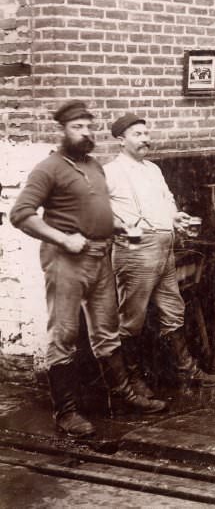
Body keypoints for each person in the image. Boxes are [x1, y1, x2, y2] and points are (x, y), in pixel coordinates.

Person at [11, 101, 166, 438]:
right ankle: (66, 413)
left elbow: (98, 209)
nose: (85, 133)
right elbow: (21, 214)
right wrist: (63, 239)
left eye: (88, 126)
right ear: (62, 131)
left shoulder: (94, 165)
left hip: (100, 256)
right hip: (66, 260)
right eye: (77, 127)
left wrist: (119, 226)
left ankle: (122, 395)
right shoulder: (48, 168)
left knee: (107, 330)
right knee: (64, 335)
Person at [104, 114, 215, 394]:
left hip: (164, 248)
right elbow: (96, 210)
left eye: (146, 133)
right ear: (121, 140)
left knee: (173, 310)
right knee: (132, 319)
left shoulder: (153, 169)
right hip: (135, 250)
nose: (145, 139)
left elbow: (166, 201)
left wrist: (175, 217)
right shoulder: (109, 172)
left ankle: (188, 371)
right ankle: (131, 380)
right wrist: (120, 225)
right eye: (137, 134)